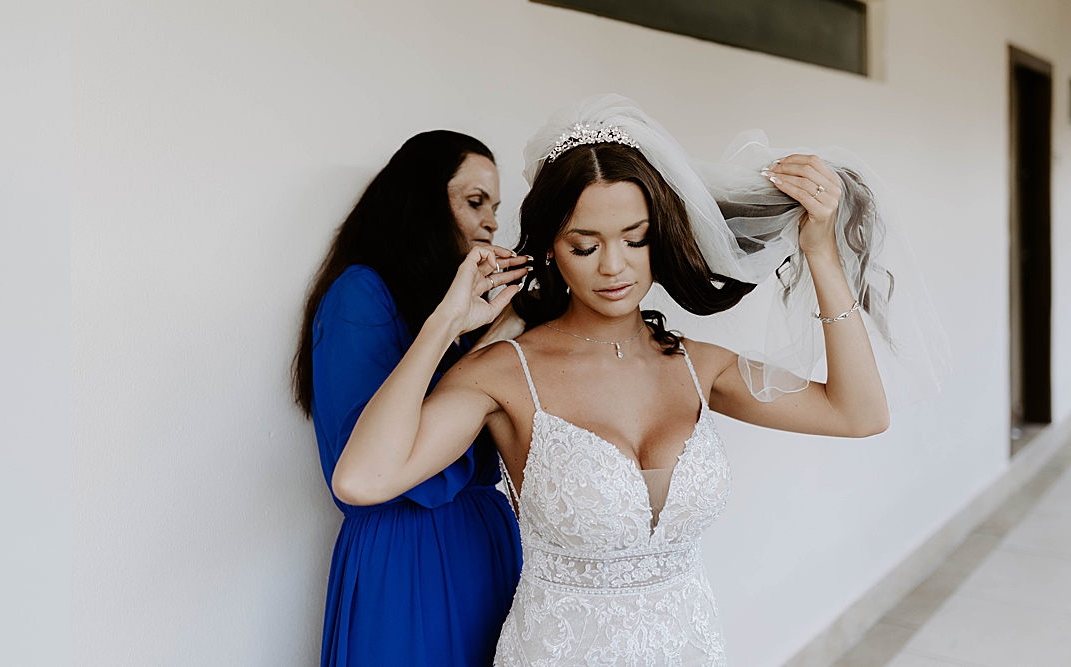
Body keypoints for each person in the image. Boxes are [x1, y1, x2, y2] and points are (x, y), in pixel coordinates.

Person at [331, 95, 930, 664]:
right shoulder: (504, 374)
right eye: (584, 245)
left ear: (660, 239)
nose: (613, 267)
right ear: (551, 251)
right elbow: (362, 480)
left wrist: (821, 255)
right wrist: (446, 323)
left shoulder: (699, 365)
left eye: (635, 239)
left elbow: (860, 414)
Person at [293, 130, 521, 665]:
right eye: (474, 201)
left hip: (481, 540)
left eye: (495, 206)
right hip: (405, 549)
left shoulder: (462, 306)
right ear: (422, 200)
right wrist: (456, 327)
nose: (491, 220)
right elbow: (361, 470)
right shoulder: (361, 292)